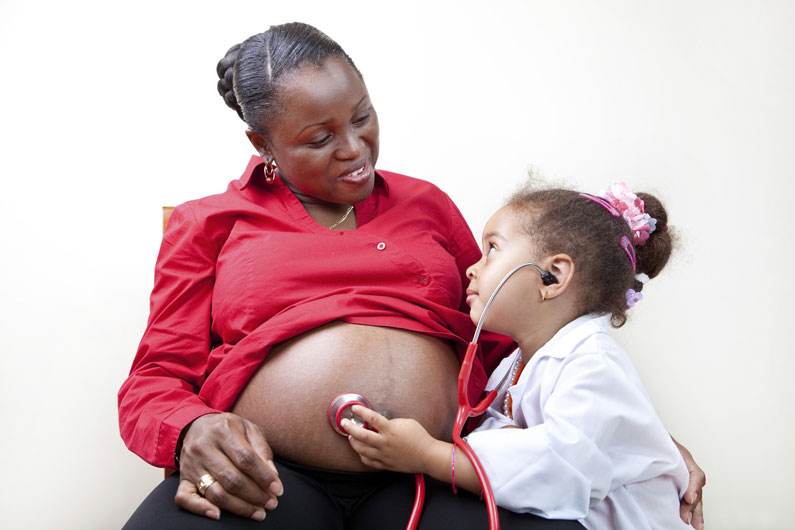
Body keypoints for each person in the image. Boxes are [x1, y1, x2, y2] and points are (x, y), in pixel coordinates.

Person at [119, 22, 704, 529]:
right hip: (272, 473)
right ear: (261, 142)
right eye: (319, 138)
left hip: (438, 468)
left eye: (363, 117)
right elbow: (155, 378)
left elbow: (522, 335)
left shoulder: (426, 204)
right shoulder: (207, 222)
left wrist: (634, 439)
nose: (355, 149)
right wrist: (190, 430)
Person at [343, 183, 699, 529]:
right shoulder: (515, 365)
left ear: (551, 277)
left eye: (493, 249)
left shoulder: (594, 364)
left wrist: (430, 456)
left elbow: (560, 468)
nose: (472, 268)